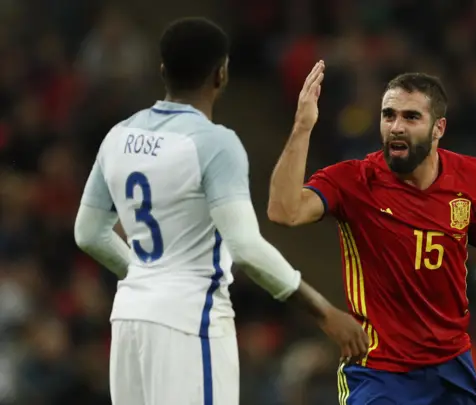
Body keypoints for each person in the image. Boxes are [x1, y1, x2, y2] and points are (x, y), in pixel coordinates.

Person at [73, 19, 368, 405]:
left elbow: (88, 232)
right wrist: (324, 311)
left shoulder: (119, 135)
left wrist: (148, 278)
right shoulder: (215, 144)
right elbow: (245, 247)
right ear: (222, 73)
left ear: (163, 71)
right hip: (190, 323)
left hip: (130, 321)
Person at [268, 61, 476, 404]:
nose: (396, 127)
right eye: (389, 115)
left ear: (438, 128)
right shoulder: (353, 181)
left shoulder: (473, 179)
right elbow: (284, 211)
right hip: (379, 371)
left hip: (451, 366)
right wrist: (302, 127)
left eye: (411, 117)